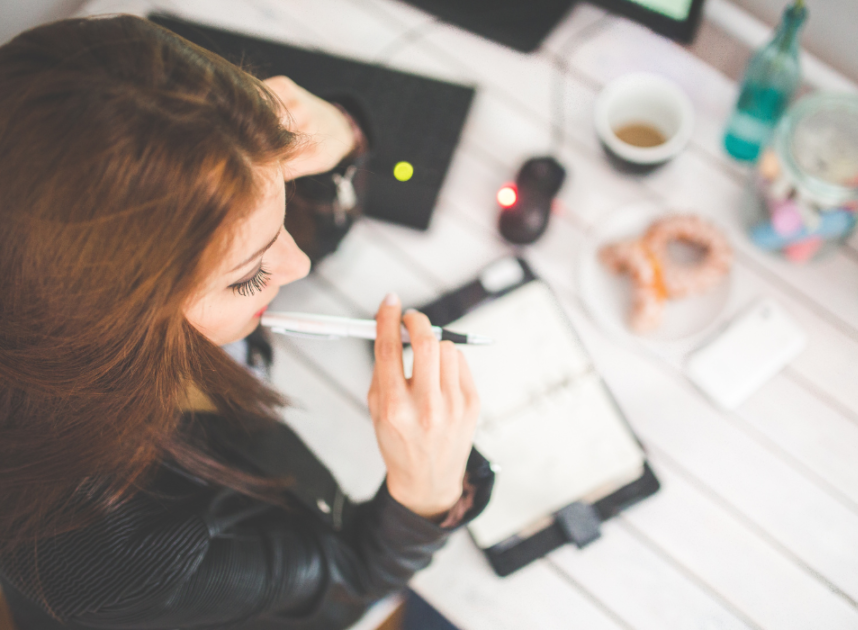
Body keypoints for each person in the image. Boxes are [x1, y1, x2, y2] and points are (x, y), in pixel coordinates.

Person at [0, 15, 493, 630]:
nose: (300, 262)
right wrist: (425, 495)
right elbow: (350, 584)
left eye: (278, 209)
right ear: (118, 318)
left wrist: (341, 136)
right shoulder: (117, 551)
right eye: (250, 277)